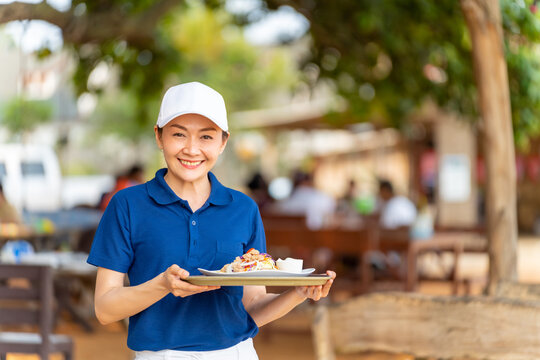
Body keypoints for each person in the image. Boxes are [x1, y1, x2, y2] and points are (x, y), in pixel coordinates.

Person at [87, 82, 336, 360]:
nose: (192, 149)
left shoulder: (243, 209)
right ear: (159, 137)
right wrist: (163, 285)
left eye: (206, 137)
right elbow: (105, 309)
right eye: (179, 134)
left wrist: (299, 293)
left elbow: (252, 305)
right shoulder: (127, 205)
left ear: (223, 143)